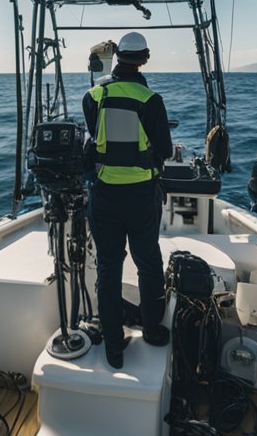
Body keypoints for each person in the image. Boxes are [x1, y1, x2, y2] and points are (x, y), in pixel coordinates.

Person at [83, 31, 172, 369]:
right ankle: (151, 330)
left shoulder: (93, 95)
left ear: (118, 55)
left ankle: (113, 345)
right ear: (145, 58)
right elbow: (163, 150)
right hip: (141, 197)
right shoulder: (151, 100)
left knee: (109, 266)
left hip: (104, 196)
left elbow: (95, 138)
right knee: (148, 263)